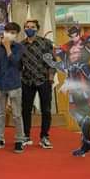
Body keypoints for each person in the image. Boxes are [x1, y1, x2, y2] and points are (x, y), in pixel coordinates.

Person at [0, 22, 27, 153]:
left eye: (12, 32)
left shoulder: (20, 47)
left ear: (17, 34)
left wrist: (7, 48)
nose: (9, 34)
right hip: (0, 84)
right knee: (0, 114)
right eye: (7, 31)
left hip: (14, 84)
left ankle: (19, 140)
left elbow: (15, 62)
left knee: (17, 114)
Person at [21, 19, 54, 149]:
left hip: (43, 80)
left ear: (37, 29)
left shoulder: (45, 43)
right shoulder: (21, 45)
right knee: (26, 109)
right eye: (27, 27)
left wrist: (51, 77)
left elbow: (52, 62)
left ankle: (44, 137)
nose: (29, 29)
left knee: (46, 110)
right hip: (27, 81)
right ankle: (26, 136)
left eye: (32, 27)